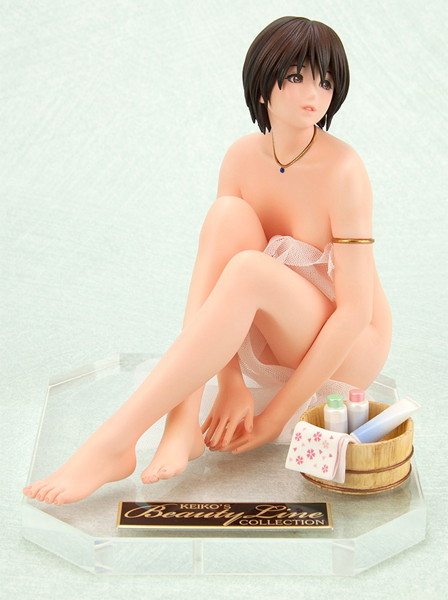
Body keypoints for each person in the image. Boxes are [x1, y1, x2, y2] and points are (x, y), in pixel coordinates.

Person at [23, 16, 392, 506]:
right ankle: (182, 421)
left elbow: (356, 313)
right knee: (226, 216)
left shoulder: (344, 168)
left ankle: (113, 443)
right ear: (263, 83)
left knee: (250, 269)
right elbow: (219, 271)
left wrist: (275, 417)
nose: (314, 93)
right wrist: (230, 380)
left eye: (326, 81)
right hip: (281, 324)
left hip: (350, 345)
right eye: (297, 76)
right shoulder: (242, 156)